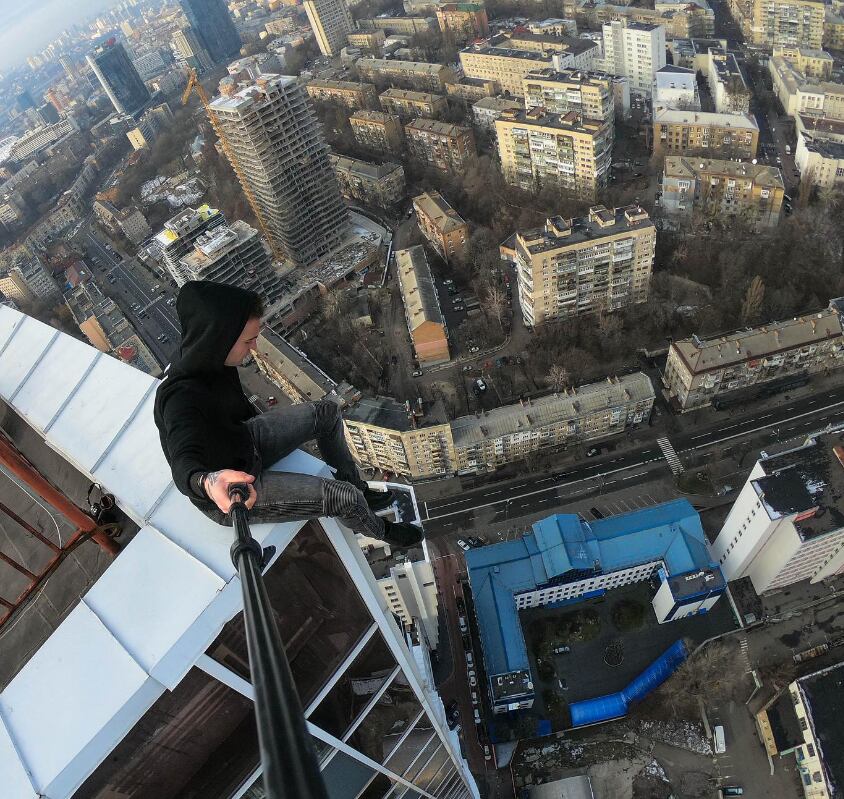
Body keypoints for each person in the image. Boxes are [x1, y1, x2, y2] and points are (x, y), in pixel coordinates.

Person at [154, 280, 423, 547]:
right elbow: (183, 463)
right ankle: (382, 530)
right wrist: (208, 482)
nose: (254, 348)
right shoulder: (181, 398)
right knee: (344, 498)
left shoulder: (212, 357)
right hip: (237, 489)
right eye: (249, 340)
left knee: (326, 413)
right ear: (220, 339)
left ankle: (359, 487)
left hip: (243, 442)